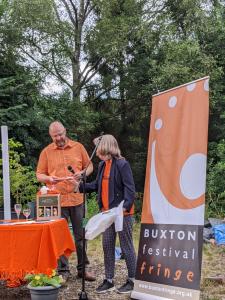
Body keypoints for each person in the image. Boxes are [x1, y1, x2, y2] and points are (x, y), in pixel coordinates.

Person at [36, 121, 95, 281]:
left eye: (61, 134)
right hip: (56, 201)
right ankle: (63, 271)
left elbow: (90, 167)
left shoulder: (78, 147)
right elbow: (39, 174)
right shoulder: (46, 152)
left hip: (77, 199)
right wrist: (49, 178)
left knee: (81, 235)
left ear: (65, 131)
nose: (59, 138)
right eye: (55, 136)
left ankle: (83, 269)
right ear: (51, 136)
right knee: (59, 237)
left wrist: (82, 174)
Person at [80, 134, 136, 294]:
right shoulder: (103, 165)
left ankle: (133, 280)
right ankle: (109, 280)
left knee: (126, 246)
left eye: (98, 149)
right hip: (107, 214)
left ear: (106, 147)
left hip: (122, 214)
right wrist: (79, 186)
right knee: (107, 245)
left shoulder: (122, 164)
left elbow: (130, 189)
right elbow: (97, 185)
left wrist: (124, 208)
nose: (96, 152)